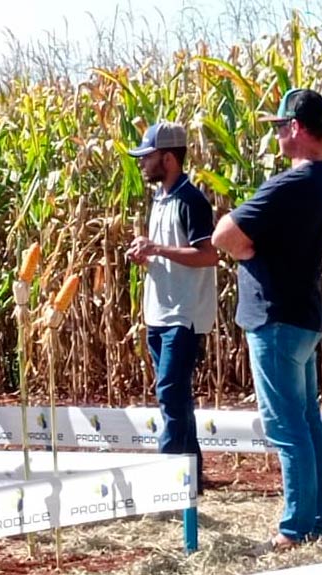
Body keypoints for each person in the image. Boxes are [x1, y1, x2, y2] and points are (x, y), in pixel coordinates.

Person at [211, 88, 322, 551]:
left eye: (282, 125)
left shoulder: (291, 183)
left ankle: (295, 528)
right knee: (307, 424)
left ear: (299, 129)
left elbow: (224, 234)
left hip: (276, 318)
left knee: (286, 428)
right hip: (302, 315)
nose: (279, 133)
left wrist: (247, 251)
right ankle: (317, 523)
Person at [124, 122, 217, 494]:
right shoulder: (161, 198)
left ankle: (167, 479)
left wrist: (158, 249)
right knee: (176, 396)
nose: (142, 164)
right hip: (160, 312)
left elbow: (208, 256)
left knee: (170, 392)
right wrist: (146, 253)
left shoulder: (191, 200)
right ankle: (192, 476)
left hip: (184, 314)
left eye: (147, 157)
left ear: (168, 158)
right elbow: (169, 250)